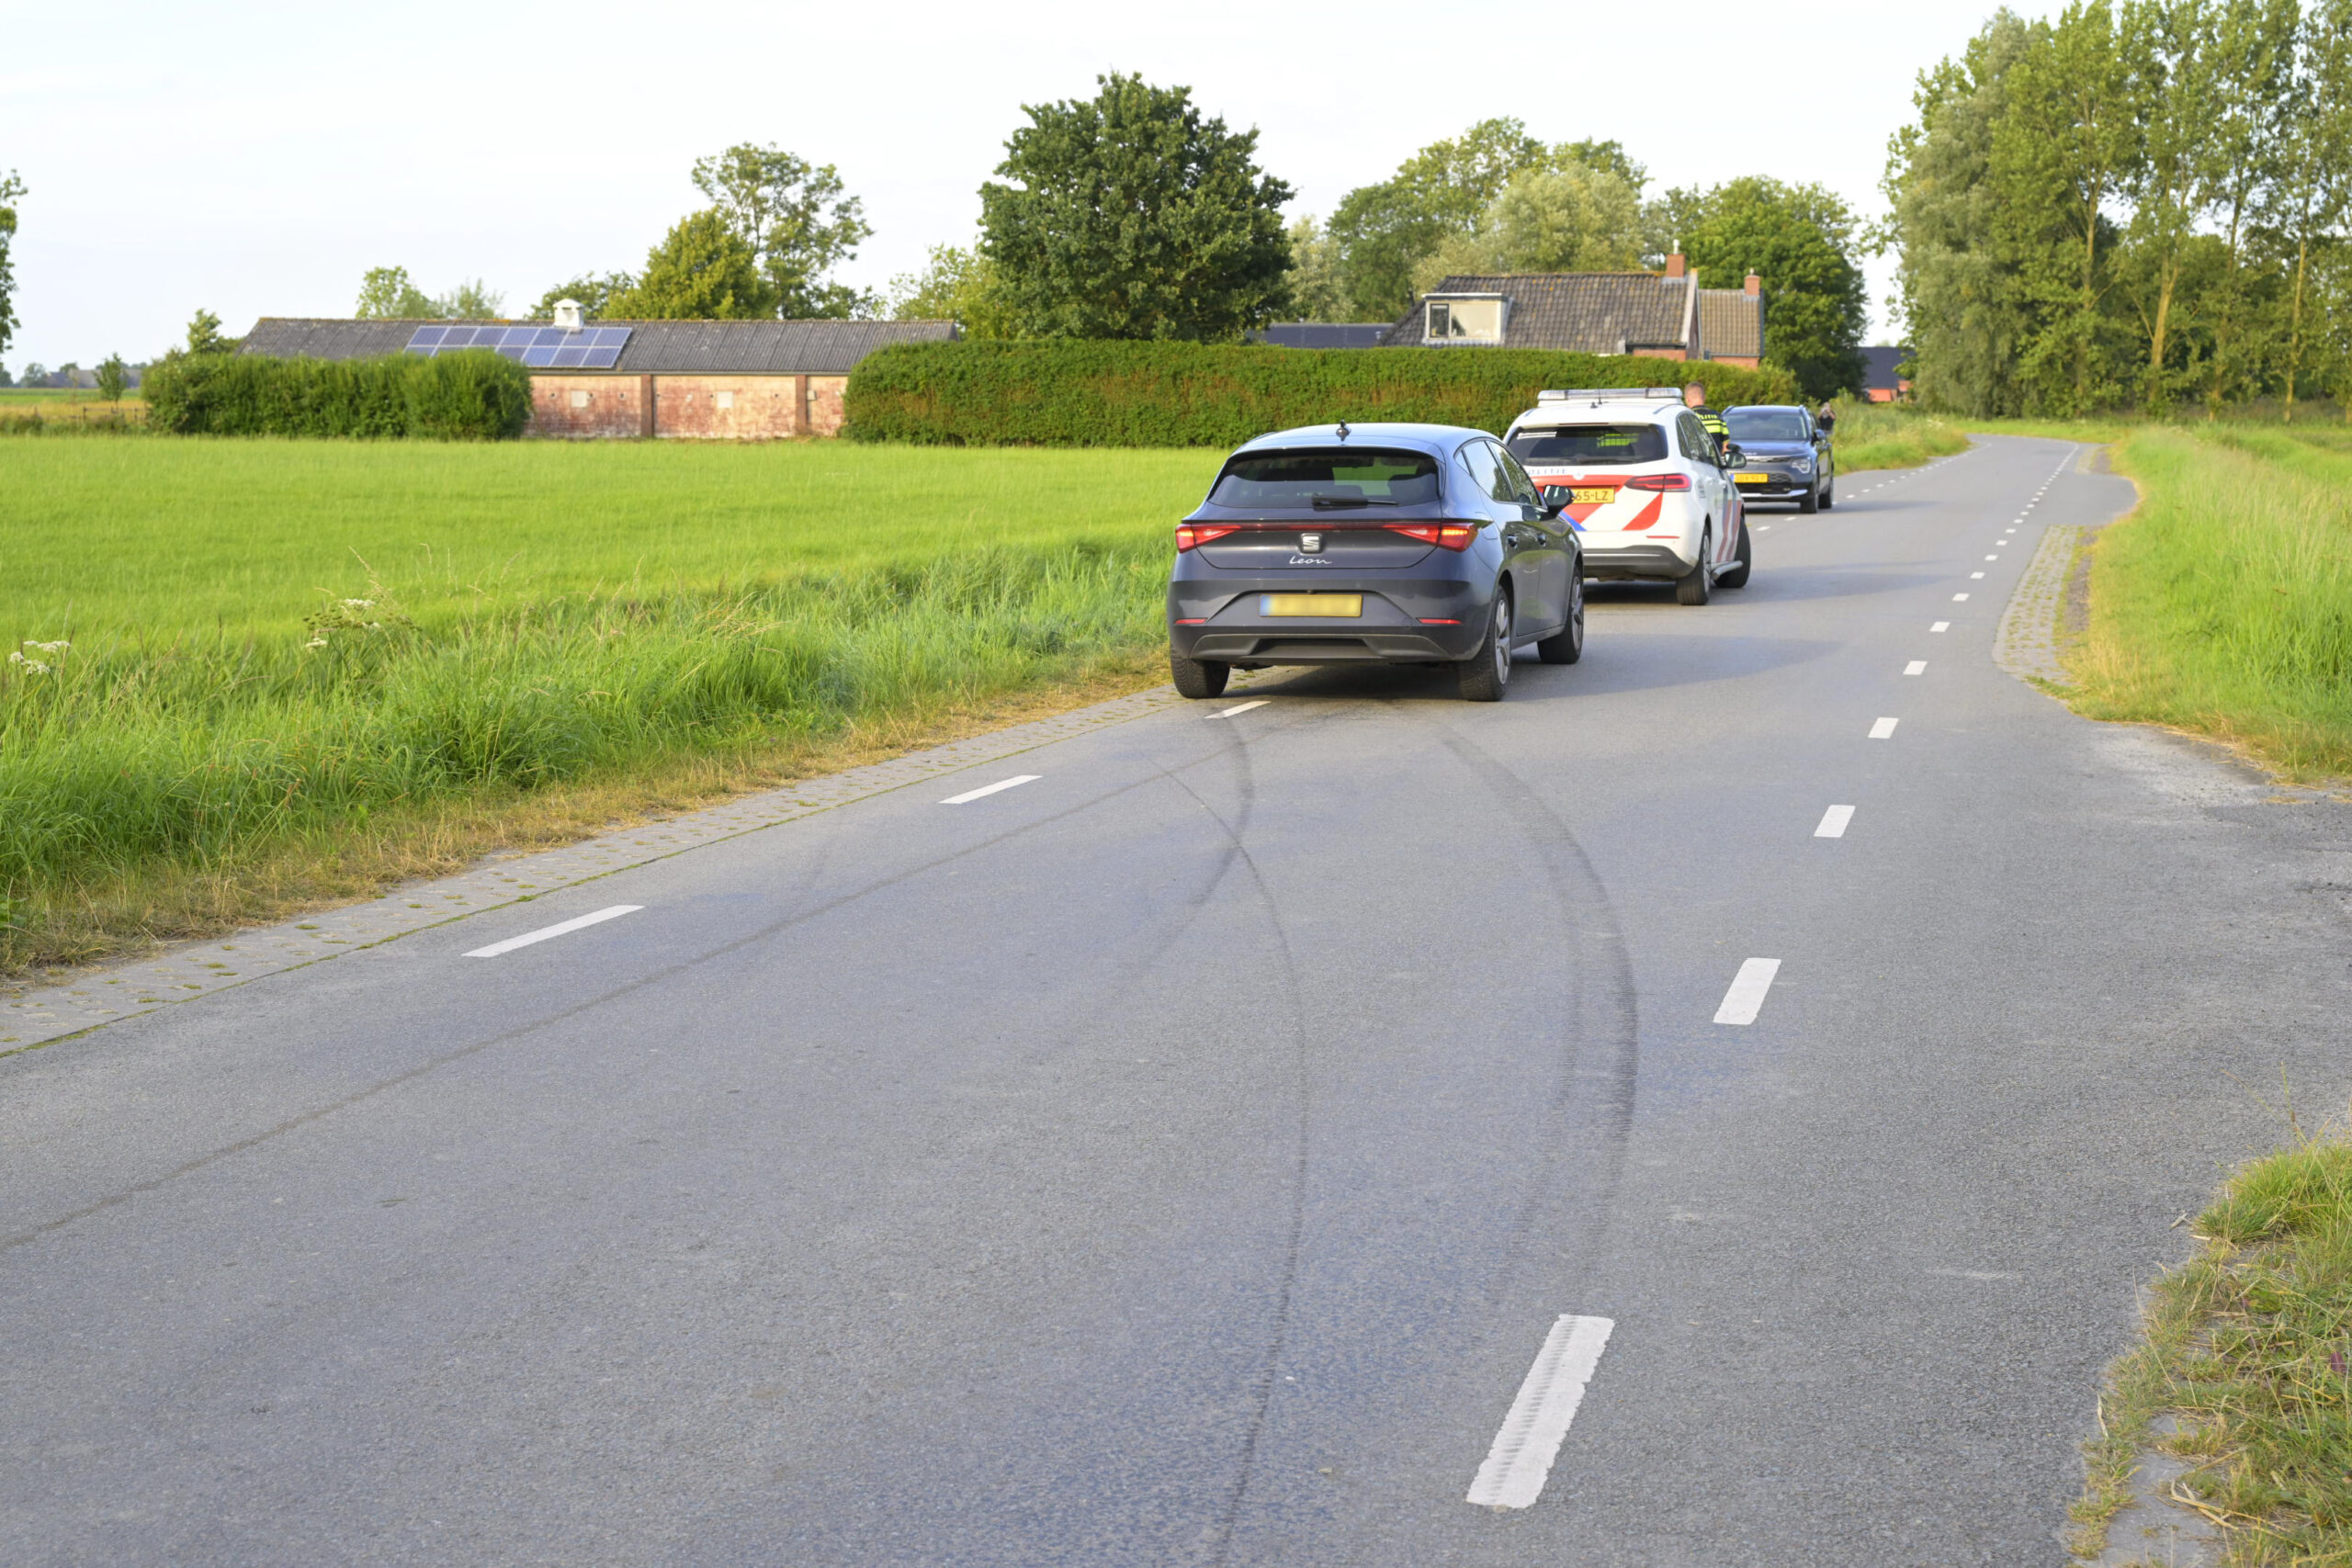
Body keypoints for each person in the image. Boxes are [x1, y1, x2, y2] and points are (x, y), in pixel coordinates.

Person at [1682, 381, 1730, 452]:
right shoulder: (1718, 417)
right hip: (1714, 463)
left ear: (1687, 400)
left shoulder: (1686, 418)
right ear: (1704, 397)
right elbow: (1725, 447)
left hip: (1694, 462)